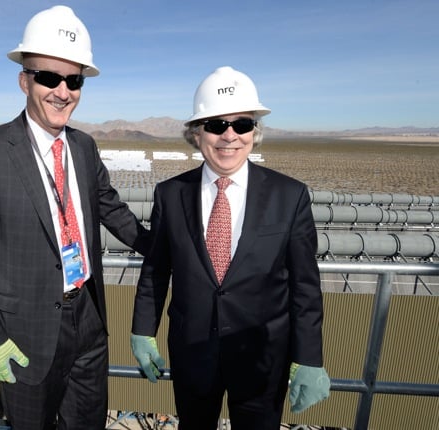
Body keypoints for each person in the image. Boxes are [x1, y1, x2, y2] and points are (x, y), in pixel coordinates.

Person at [0, 6, 149, 430]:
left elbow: (111, 208)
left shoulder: (83, 146)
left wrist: (163, 245)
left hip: (90, 320)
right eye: (48, 78)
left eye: (73, 80)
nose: (63, 91)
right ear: (24, 80)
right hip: (25, 333)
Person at [130, 66, 330, 429]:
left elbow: (304, 285)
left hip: (263, 358)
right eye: (216, 125)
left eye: (242, 124)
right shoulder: (171, 194)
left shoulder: (289, 196)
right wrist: (143, 330)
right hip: (193, 353)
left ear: (255, 132)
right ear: (195, 134)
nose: (229, 137)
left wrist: (309, 357)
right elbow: (156, 271)